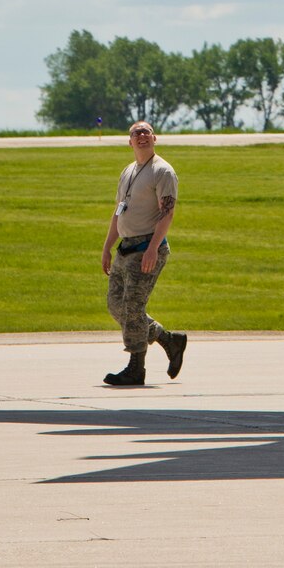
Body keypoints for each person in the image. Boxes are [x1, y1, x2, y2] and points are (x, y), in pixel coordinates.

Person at [101, 120, 188, 388]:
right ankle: (168, 340)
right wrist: (107, 247)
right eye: (136, 133)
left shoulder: (162, 171)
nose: (141, 136)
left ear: (155, 138)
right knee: (117, 306)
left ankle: (136, 368)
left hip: (147, 247)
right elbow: (119, 210)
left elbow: (168, 212)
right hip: (125, 247)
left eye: (146, 132)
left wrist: (153, 248)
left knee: (133, 307)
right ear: (130, 142)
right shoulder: (129, 171)